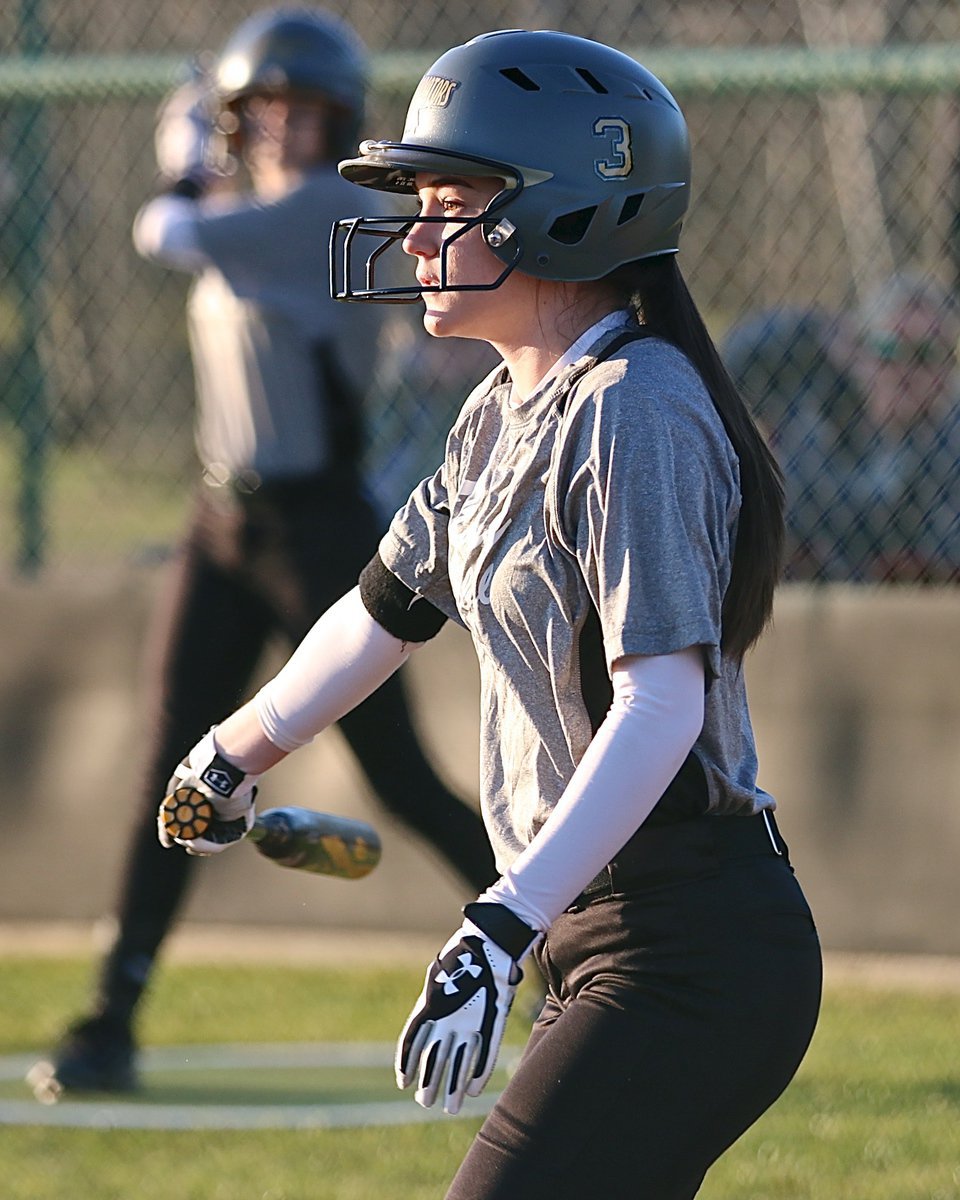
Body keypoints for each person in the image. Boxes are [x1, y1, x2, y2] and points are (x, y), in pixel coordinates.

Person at [153, 30, 822, 1199]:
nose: (414, 234)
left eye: (450, 201)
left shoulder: (634, 406)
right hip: (603, 933)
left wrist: (500, 923)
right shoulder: (501, 410)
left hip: (694, 945)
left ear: (567, 214)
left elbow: (665, 699)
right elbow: (381, 611)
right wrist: (230, 754)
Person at [31, 7, 495, 1101]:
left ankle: (554, 936)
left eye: (307, 108)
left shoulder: (321, 210)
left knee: (398, 777)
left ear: (340, 120)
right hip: (220, 520)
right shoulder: (252, 207)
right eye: (263, 109)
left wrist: (186, 156)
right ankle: (114, 1012)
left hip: (322, 527)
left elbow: (168, 235)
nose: (285, 126)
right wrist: (199, 156)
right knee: (172, 765)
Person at [723, 275, 960, 582]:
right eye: (889, 348)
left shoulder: (948, 444)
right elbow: (736, 357)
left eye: (925, 353)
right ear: (858, 354)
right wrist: (820, 328)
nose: (906, 368)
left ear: (946, 370)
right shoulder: (819, 413)